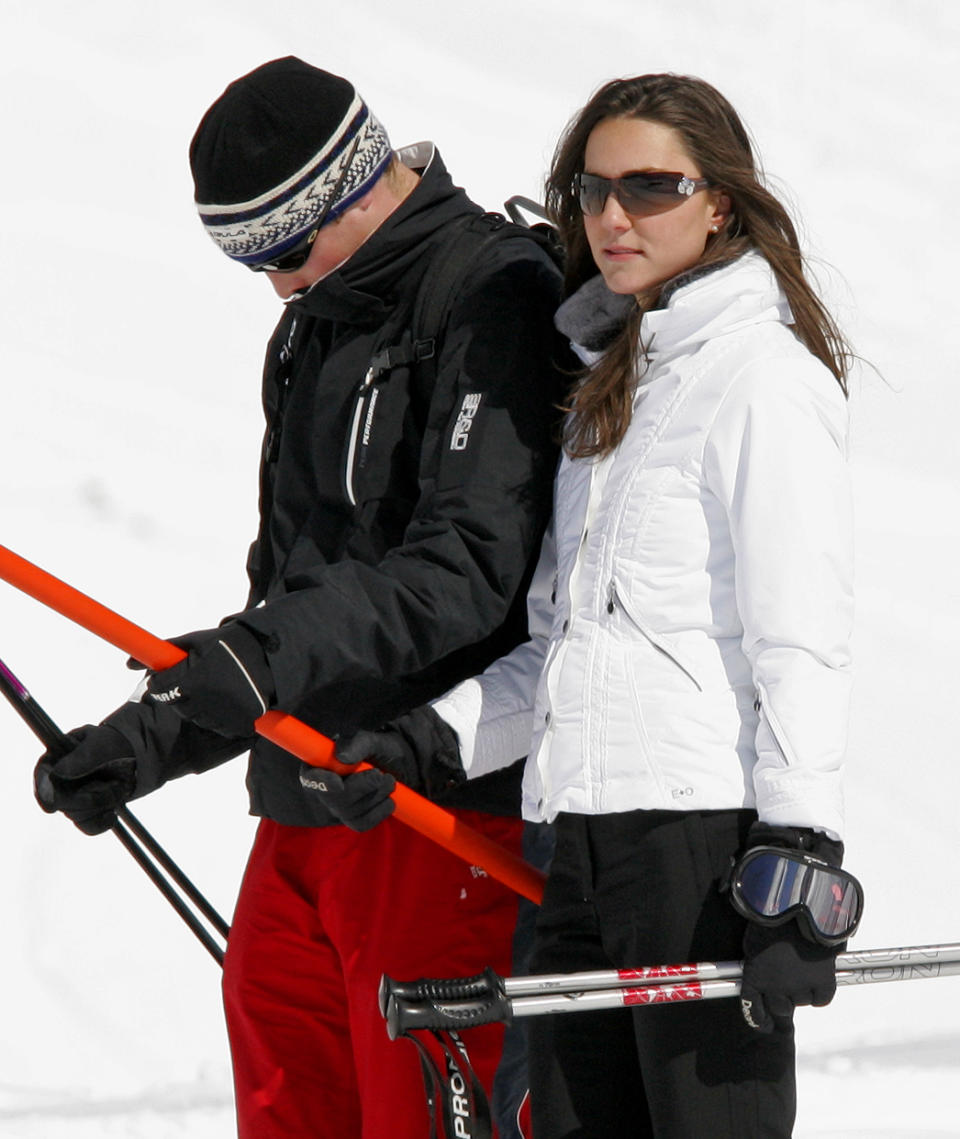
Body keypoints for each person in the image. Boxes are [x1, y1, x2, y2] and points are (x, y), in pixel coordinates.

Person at [32, 56, 570, 1138]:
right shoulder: (318, 320)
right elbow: (287, 589)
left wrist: (260, 662)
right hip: (303, 804)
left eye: (285, 248)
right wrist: (156, 736)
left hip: (428, 808)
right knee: (288, 1101)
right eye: (251, 263)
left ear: (357, 184)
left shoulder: (494, 295)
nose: (277, 283)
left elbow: (466, 565)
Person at [334, 73, 858, 1138]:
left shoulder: (760, 378)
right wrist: (424, 742)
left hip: (699, 849)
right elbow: (561, 649)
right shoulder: (607, 396)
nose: (615, 217)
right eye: (593, 189)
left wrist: (803, 853)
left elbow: (799, 638)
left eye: (651, 187)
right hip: (574, 840)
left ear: (720, 202)